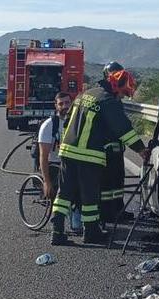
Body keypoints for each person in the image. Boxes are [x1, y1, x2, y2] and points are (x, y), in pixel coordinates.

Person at [50, 69, 149, 245]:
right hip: (89, 155)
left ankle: (56, 232)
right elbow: (123, 129)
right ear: (117, 87)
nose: (122, 98)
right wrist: (141, 150)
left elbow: (67, 121)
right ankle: (91, 233)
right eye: (123, 94)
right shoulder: (108, 101)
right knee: (90, 197)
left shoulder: (85, 94)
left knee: (64, 193)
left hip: (67, 151)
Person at [37, 92, 82, 234]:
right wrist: (46, 182)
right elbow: (43, 156)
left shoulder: (78, 122)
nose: (65, 106)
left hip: (71, 163)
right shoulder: (49, 126)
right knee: (63, 189)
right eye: (61, 104)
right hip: (54, 165)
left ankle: (77, 216)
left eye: (67, 103)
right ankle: (59, 224)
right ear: (56, 106)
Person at [98, 61, 130, 222]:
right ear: (108, 76)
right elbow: (121, 127)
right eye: (115, 74)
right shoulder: (106, 97)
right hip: (105, 150)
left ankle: (118, 209)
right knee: (106, 184)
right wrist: (139, 148)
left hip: (116, 149)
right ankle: (106, 213)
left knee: (117, 181)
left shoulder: (114, 96)